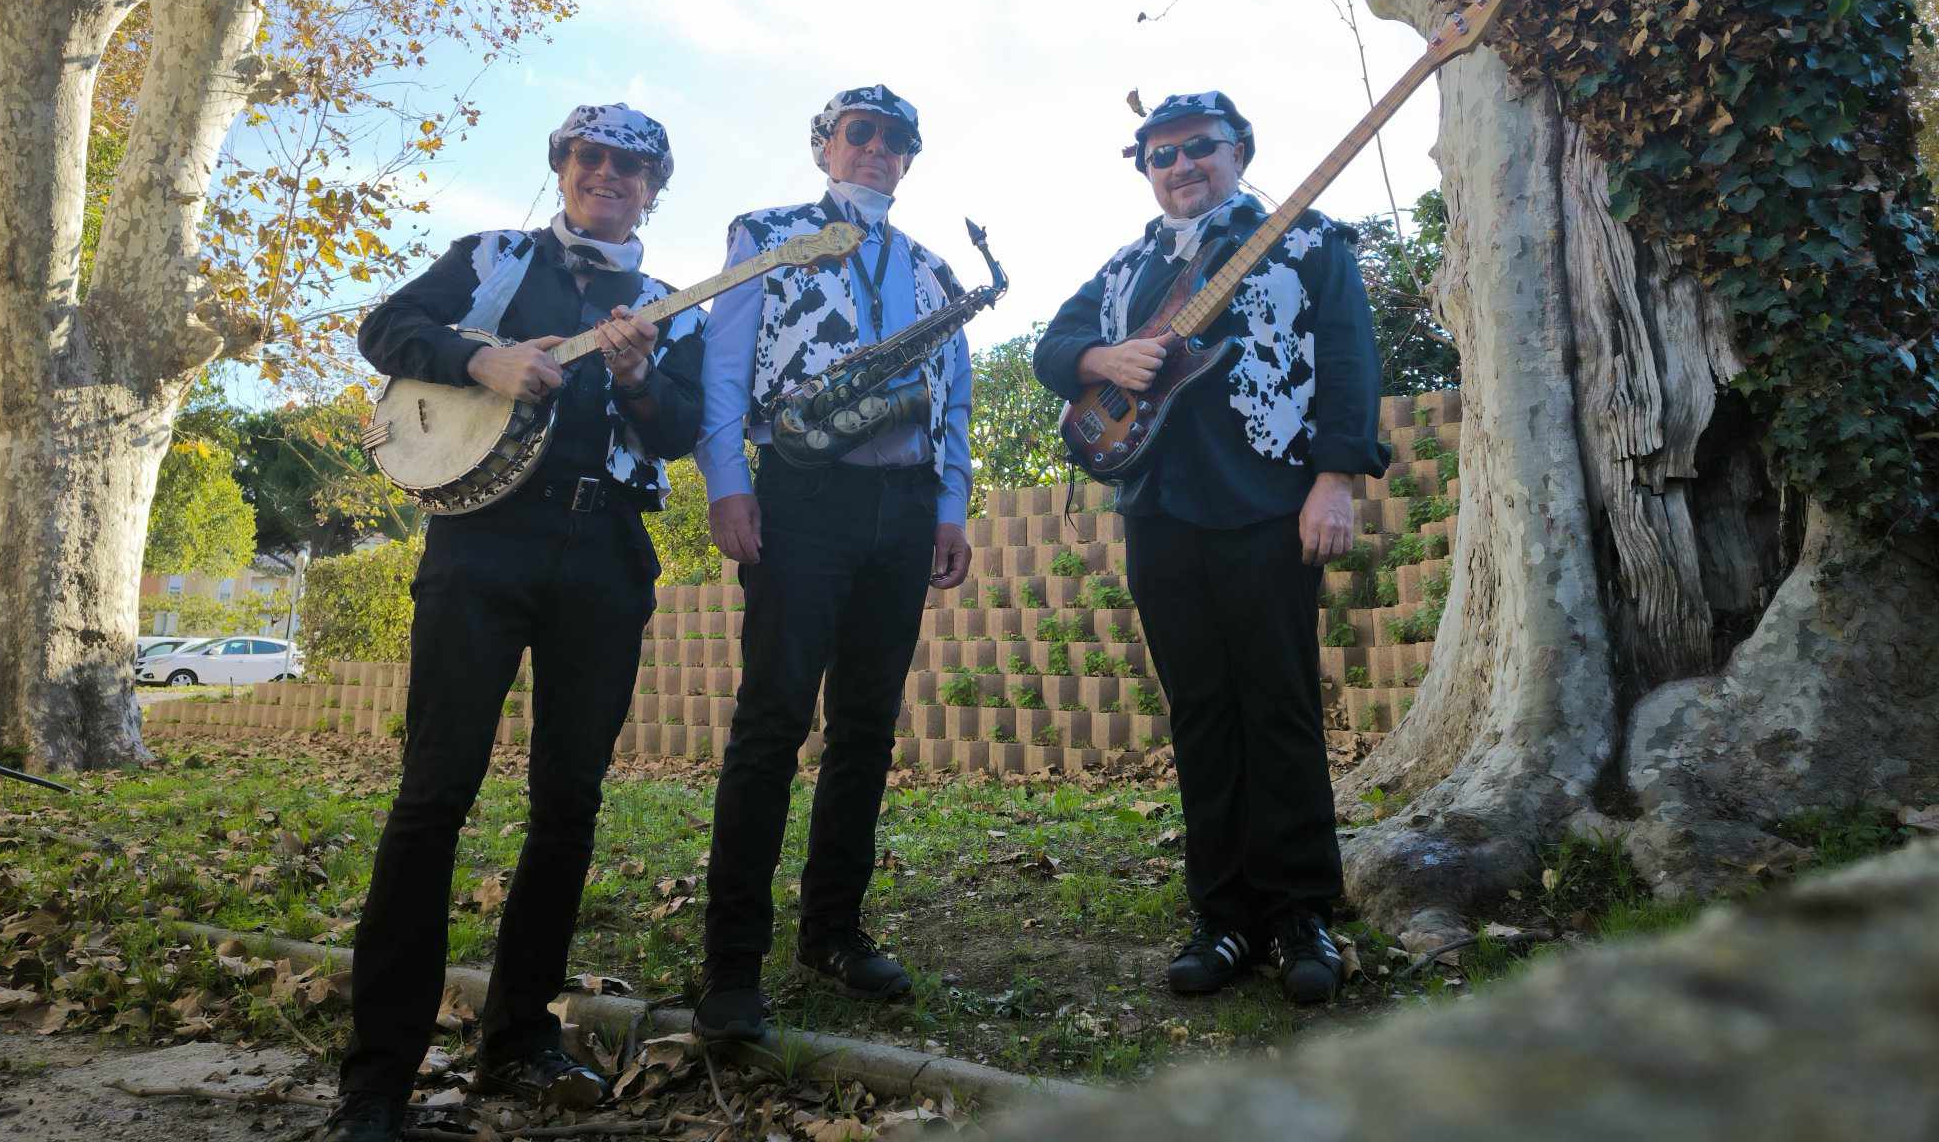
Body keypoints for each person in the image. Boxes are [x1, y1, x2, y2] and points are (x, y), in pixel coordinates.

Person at [320, 105, 706, 1142]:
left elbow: (679, 429)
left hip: (605, 554)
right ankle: (377, 1082)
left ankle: (516, 1038)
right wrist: (474, 362)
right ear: (562, 167)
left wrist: (634, 374)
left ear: (655, 184)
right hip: (479, 547)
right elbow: (383, 330)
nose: (608, 176)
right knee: (433, 794)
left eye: (632, 164)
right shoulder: (490, 257)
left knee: (567, 803)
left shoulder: (672, 304)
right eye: (589, 158)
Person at [1032, 91, 1388, 1005]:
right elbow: (1053, 346)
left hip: (1269, 502)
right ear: (1145, 171)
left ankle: (1301, 910)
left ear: (1240, 152)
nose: (1181, 166)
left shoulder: (1307, 242)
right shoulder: (1126, 267)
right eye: (1161, 156)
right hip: (1159, 509)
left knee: (1279, 704)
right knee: (1199, 711)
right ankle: (1222, 917)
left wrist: (1335, 480)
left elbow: (1350, 361)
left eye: (1201, 149)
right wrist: (1100, 362)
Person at [691, 85, 973, 1043]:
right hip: (801, 498)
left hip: (902, 508)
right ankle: (731, 964)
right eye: (861, 135)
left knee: (866, 727)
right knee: (770, 721)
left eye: (897, 141)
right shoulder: (764, 232)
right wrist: (729, 484)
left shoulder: (935, 271)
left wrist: (949, 508)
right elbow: (723, 367)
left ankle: (833, 931)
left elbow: (957, 400)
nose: (877, 151)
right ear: (824, 145)